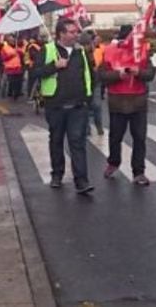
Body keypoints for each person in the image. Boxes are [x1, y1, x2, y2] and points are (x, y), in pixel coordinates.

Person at [32, 18, 95, 194]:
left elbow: (89, 75)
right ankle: (57, 174)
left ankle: (81, 181)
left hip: (77, 106)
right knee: (56, 141)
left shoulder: (80, 52)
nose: (76, 34)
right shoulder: (48, 50)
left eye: (77, 32)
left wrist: (87, 99)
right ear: (61, 34)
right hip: (56, 105)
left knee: (77, 142)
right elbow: (34, 73)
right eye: (72, 32)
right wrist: (54, 66)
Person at [98, 27, 156, 186]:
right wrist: (118, 75)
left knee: (139, 138)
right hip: (117, 102)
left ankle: (139, 172)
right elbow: (102, 75)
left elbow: (150, 74)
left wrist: (139, 73)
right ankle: (113, 162)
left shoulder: (143, 51)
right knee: (115, 137)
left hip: (138, 102)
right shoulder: (109, 51)